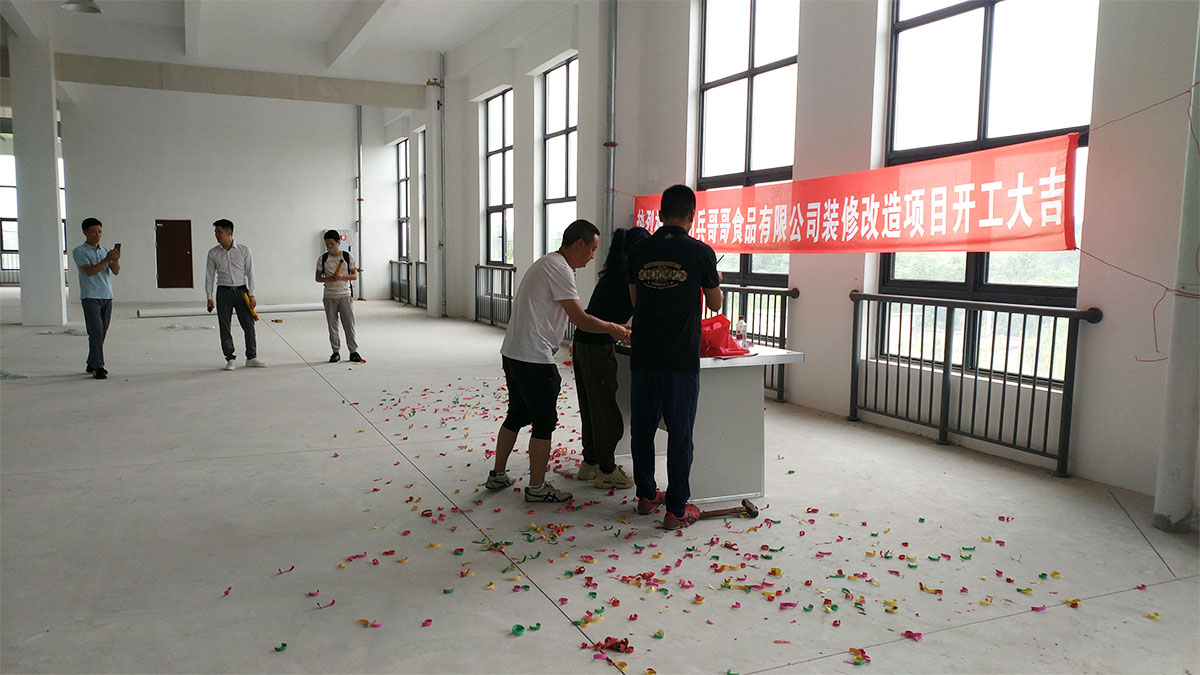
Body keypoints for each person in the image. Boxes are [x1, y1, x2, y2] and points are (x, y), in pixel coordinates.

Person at [485, 219, 632, 503]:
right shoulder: (559, 268)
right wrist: (613, 328)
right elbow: (580, 319)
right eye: (592, 248)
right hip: (534, 357)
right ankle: (537, 488)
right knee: (544, 423)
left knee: (516, 415)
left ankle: (498, 474)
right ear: (579, 243)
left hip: (514, 352)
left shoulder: (548, 263)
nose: (593, 256)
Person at [626, 184, 722, 529]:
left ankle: (646, 495)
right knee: (680, 433)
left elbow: (636, 301)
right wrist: (713, 279)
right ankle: (676, 509)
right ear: (692, 215)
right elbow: (715, 304)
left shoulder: (638, 250)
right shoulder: (701, 252)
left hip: (644, 355)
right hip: (680, 358)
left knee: (642, 429)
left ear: (660, 215)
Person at [572, 226, 651, 490]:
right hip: (596, 347)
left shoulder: (615, 270)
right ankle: (607, 470)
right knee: (606, 411)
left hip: (583, 343)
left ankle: (590, 463)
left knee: (591, 407)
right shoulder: (629, 275)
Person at [205, 219, 267, 370]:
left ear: (229, 233)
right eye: (215, 232)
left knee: (248, 325)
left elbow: (251, 273)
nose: (216, 235)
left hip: (241, 292)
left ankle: (251, 357)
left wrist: (252, 294)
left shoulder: (244, 250)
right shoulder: (213, 253)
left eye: (219, 232)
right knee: (225, 326)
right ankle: (230, 358)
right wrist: (209, 297)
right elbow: (209, 276)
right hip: (223, 292)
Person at [71, 217, 120, 380]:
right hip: (90, 296)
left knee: (101, 332)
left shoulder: (104, 250)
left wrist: (115, 260)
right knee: (96, 332)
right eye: (93, 232)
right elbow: (89, 271)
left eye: (99, 232)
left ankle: (91, 362)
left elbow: (115, 271)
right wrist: (106, 259)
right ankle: (99, 366)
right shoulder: (79, 251)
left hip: (107, 295)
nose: (97, 235)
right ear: (85, 232)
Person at [316, 230, 362, 363]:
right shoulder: (322, 259)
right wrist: (329, 278)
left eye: (331, 243)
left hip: (345, 295)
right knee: (332, 326)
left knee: (349, 324)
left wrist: (342, 276)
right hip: (329, 296)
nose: (329, 246)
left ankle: (353, 351)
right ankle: (335, 352)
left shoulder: (347, 257)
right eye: (327, 244)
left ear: (338, 242)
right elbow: (318, 278)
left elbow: (354, 275)